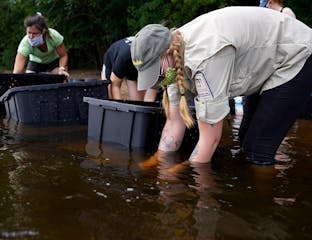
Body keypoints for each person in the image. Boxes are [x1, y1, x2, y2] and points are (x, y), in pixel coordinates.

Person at [131, 6, 312, 166]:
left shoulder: (205, 59)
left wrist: (183, 172)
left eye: (156, 71)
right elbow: (173, 122)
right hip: (264, 63)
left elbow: (210, 140)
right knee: (244, 140)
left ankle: (264, 199)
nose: (158, 79)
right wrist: (158, 162)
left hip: (295, 55)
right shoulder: (172, 63)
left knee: (258, 150)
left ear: (167, 52)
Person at [101, 37, 158, 101]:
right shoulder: (124, 57)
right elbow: (115, 86)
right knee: (108, 93)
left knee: (139, 102)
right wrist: (120, 108)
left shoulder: (155, 58)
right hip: (112, 59)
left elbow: (151, 92)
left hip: (133, 63)